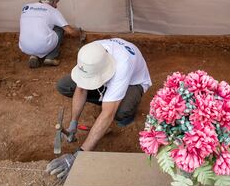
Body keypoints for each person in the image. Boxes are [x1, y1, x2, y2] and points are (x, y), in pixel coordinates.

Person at [46, 38, 152, 178]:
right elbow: (81, 89)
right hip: (103, 74)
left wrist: (80, 155)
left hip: (133, 83)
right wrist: (73, 123)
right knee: (65, 85)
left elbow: (108, 113)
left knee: (120, 112)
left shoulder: (122, 65)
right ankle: (107, 97)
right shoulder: (90, 54)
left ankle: (123, 108)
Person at [19, 0, 81, 68]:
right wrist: (79, 32)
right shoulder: (52, 10)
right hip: (41, 44)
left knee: (35, 28)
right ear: (51, 2)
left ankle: (34, 56)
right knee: (59, 28)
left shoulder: (26, 7)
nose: (56, 6)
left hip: (24, 46)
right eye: (55, 2)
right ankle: (50, 57)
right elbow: (70, 31)